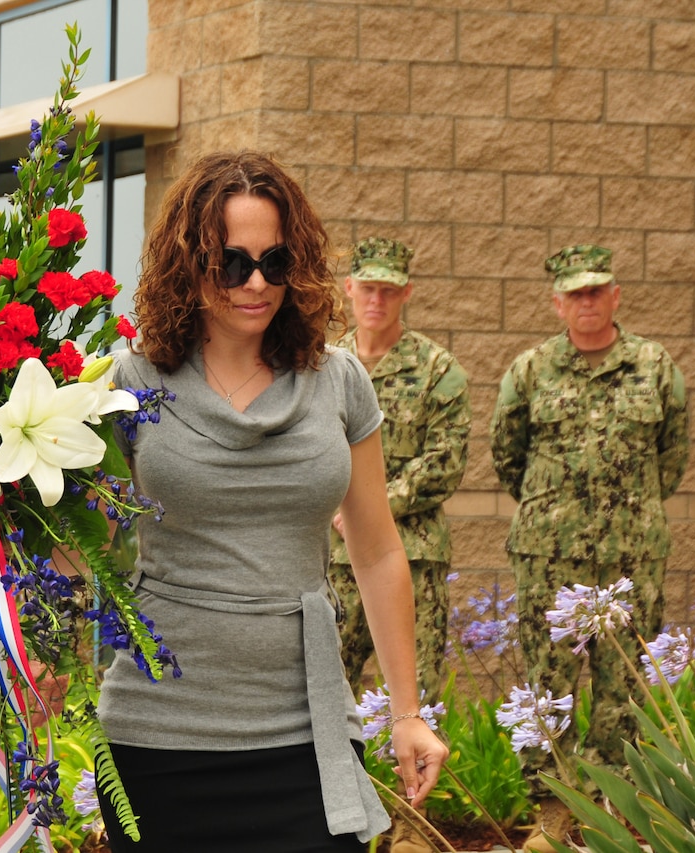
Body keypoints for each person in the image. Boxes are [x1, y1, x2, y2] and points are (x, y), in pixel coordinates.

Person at [95, 151, 449, 852]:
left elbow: (377, 551)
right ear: (189, 264)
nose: (256, 284)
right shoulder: (129, 381)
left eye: (275, 262)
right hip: (158, 734)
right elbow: (85, 545)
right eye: (232, 264)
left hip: (307, 731)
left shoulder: (338, 380)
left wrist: (406, 711)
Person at [490, 243, 690, 852]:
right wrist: (558, 514)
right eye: (575, 293)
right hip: (549, 557)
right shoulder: (529, 371)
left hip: (633, 559)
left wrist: (626, 513)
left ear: (616, 296)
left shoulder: (656, 367)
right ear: (557, 302)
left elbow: (672, 457)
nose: (587, 302)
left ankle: (620, 818)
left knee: (624, 688)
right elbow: (508, 455)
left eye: (597, 290)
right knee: (547, 684)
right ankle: (551, 818)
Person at [329, 237, 469, 853]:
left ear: (406, 292)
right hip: (329, 561)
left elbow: (448, 460)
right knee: (326, 688)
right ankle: (338, 816)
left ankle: (413, 830)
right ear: (349, 290)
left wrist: (367, 505)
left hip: (409, 555)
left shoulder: (438, 369)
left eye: (390, 288)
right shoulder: (324, 365)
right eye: (368, 287)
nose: (378, 298)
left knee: (417, 695)